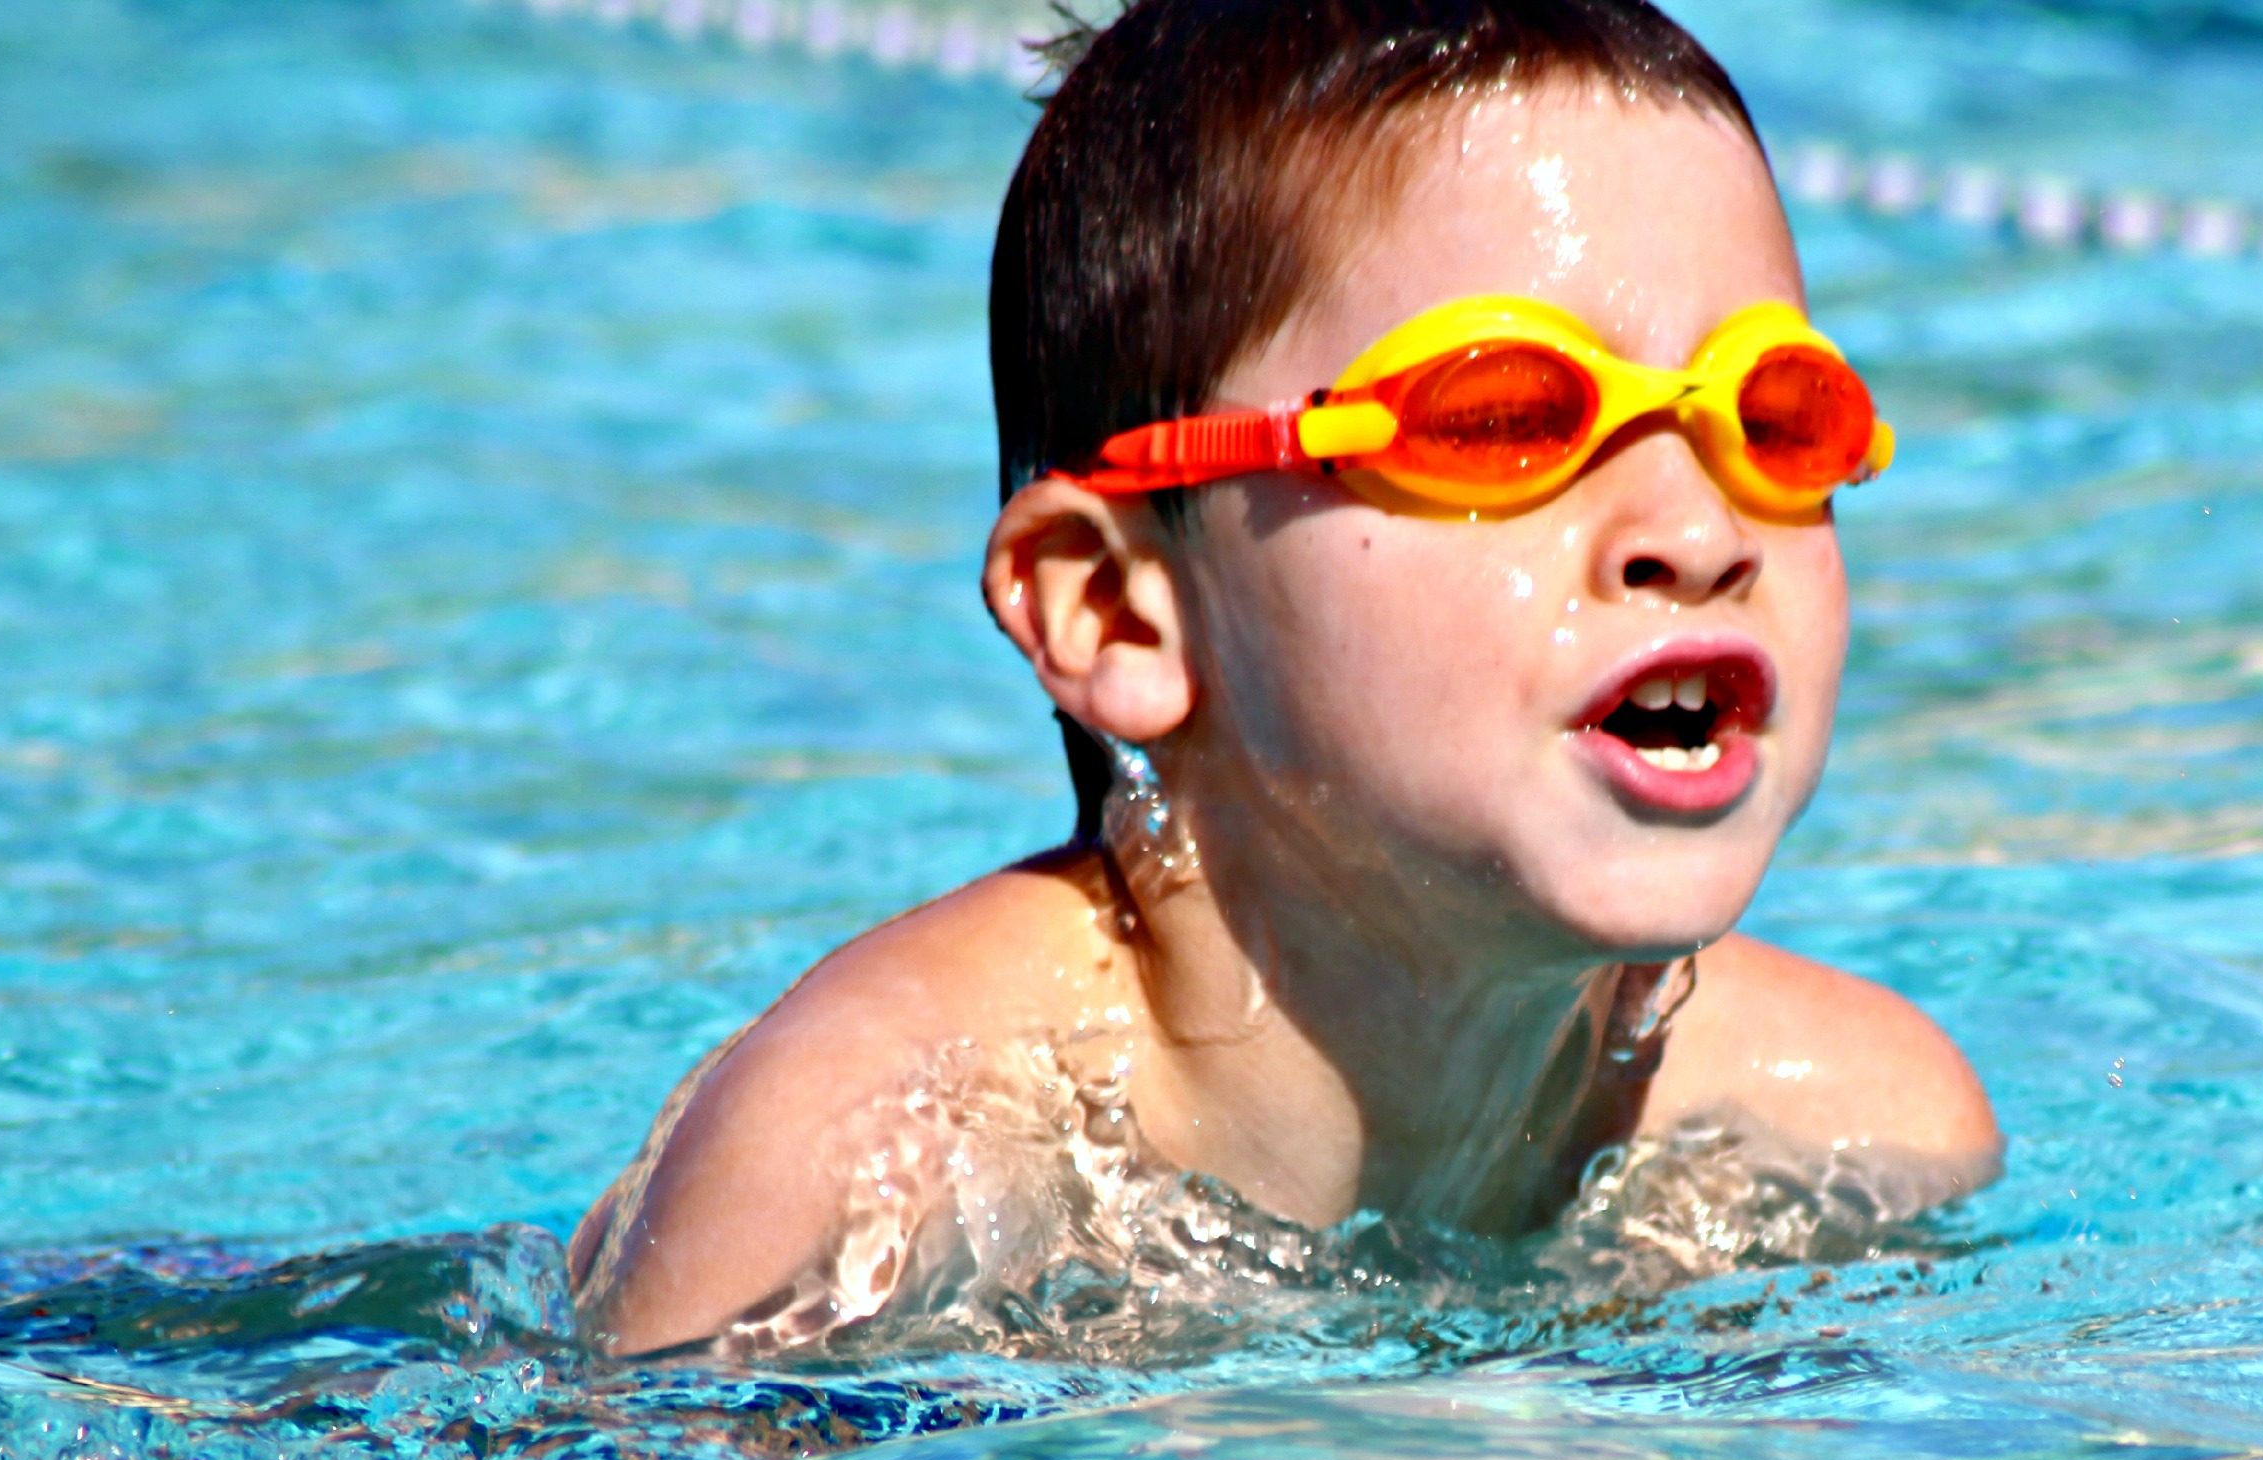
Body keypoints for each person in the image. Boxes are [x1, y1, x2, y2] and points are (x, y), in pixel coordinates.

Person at [568, 0, 2000, 1358]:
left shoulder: (1860, 1132)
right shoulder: (880, 1163)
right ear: (1120, 611)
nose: (1696, 534)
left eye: (1775, 416)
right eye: (1502, 416)